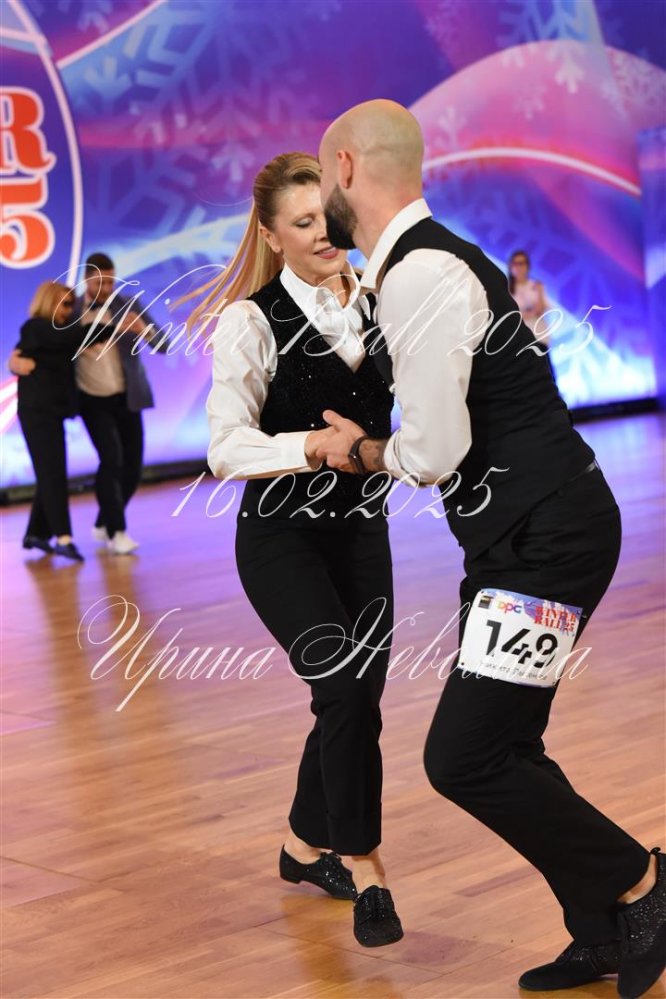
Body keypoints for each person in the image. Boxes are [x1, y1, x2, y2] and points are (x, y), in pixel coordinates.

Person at [315, 100, 665, 998]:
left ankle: (643, 882)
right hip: (528, 534)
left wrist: (356, 450)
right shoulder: (423, 265)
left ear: (346, 166)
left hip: (546, 536)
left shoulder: (419, 273)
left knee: (464, 755)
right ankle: (603, 927)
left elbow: (431, 451)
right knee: (507, 743)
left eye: (321, 177)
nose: (322, 197)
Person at [184, 151, 403, 947]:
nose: (322, 232)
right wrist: (310, 445)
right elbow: (224, 446)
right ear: (273, 236)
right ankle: (367, 867)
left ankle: (303, 847)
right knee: (343, 689)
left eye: (328, 216)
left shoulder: (381, 301)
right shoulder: (250, 321)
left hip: (364, 533)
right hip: (281, 539)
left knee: (355, 700)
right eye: (303, 222)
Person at [10, 254, 169, 554]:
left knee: (132, 468)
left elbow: (165, 345)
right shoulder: (68, 310)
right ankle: (117, 531)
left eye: (110, 282)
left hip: (128, 397)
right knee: (111, 459)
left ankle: (103, 521)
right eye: (100, 282)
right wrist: (14, 362)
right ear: (87, 280)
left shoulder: (129, 305)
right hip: (90, 400)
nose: (106, 288)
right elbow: (32, 342)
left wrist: (143, 330)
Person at [14, 281, 110, 561]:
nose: (69, 311)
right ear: (49, 302)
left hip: (50, 413)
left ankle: (36, 533)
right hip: (36, 413)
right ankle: (63, 538)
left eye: (71, 305)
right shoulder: (36, 328)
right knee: (52, 473)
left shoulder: (57, 332)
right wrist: (112, 326)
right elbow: (72, 338)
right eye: (65, 304)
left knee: (50, 472)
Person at [508, 249, 556, 379]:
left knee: (546, 375)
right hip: (519, 340)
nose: (518, 268)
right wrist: (530, 312)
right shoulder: (507, 289)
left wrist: (539, 293)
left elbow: (541, 309)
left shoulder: (536, 286)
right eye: (515, 264)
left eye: (521, 263)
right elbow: (511, 315)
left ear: (527, 266)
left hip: (539, 336)